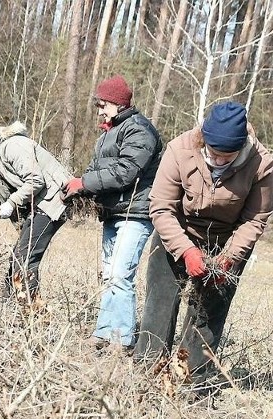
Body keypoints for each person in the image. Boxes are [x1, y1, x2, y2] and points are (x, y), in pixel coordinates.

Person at [134, 101, 273, 389]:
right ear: (203, 140)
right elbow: (160, 208)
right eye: (214, 154)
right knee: (160, 302)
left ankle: (190, 379)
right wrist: (185, 250)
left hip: (226, 242)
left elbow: (255, 219)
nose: (220, 162)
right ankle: (148, 370)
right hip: (176, 232)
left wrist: (229, 258)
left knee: (208, 314)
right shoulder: (179, 149)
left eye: (228, 157)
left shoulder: (262, 164)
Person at [62, 75, 162, 350]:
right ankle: (104, 332)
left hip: (134, 212)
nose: (100, 110)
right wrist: (79, 186)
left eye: (103, 104)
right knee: (109, 275)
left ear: (118, 104)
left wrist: (84, 182)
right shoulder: (109, 132)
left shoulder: (139, 130)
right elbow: (99, 171)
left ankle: (121, 339)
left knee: (120, 275)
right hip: (113, 211)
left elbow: (125, 172)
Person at [0, 115, 72, 302]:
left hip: (54, 200)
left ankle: (30, 309)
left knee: (25, 258)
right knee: (16, 259)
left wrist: (12, 203)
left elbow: (36, 180)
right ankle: (11, 305)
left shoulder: (13, 146)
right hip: (38, 205)